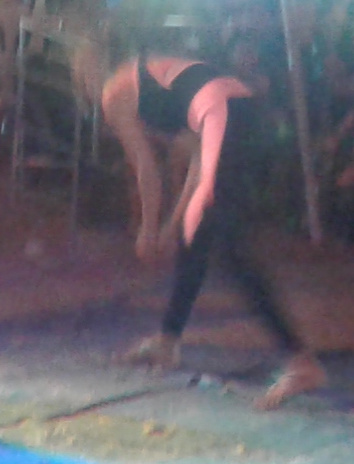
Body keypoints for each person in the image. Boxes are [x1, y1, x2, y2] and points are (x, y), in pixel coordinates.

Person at [87, 42, 326, 410]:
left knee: (229, 248)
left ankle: (300, 361)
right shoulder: (154, 82)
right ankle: (168, 339)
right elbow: (200, 160)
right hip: (242, 110)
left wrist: (148, 229)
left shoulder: (114, 93)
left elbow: (146, 169)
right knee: (197, 232)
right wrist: (172, 225)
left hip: (224, 113)